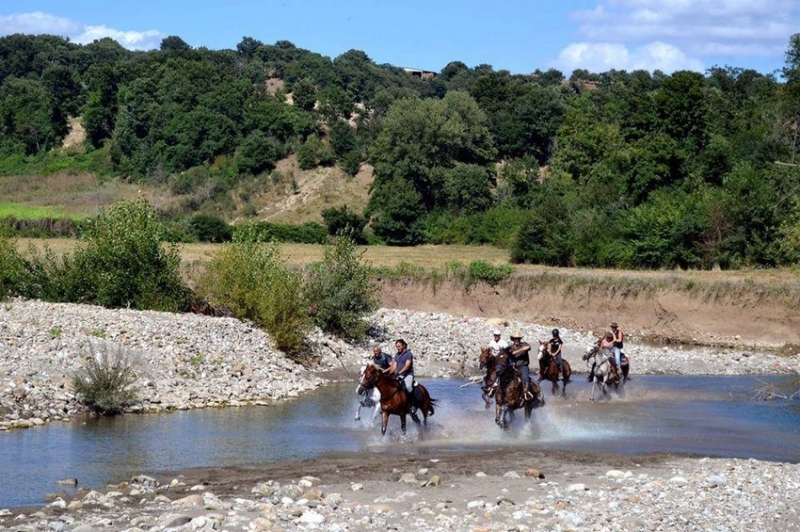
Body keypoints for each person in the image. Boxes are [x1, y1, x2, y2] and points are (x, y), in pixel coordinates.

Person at [509, 330, 536, 400]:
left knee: (525, 377)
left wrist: (515, 352)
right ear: (513, 339)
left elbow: (528, 347)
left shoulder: (524, 344)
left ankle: (526, 391)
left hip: (523, 366)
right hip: (513, 367)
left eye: (518, 338)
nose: (517, 340)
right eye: (515, 338)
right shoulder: (510, 347)